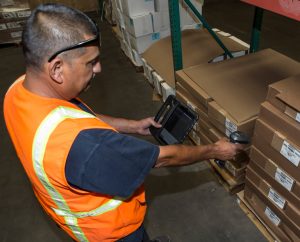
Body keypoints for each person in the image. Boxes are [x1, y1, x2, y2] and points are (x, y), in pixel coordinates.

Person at [3, 3, 243, 242]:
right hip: (111, 233)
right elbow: (164, 158)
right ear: (57, 68)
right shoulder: (85, 145)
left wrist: (132, 126)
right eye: (90, 62)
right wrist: (215, 150)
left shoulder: (18, 91)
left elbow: (74, 116)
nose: (99, 68)